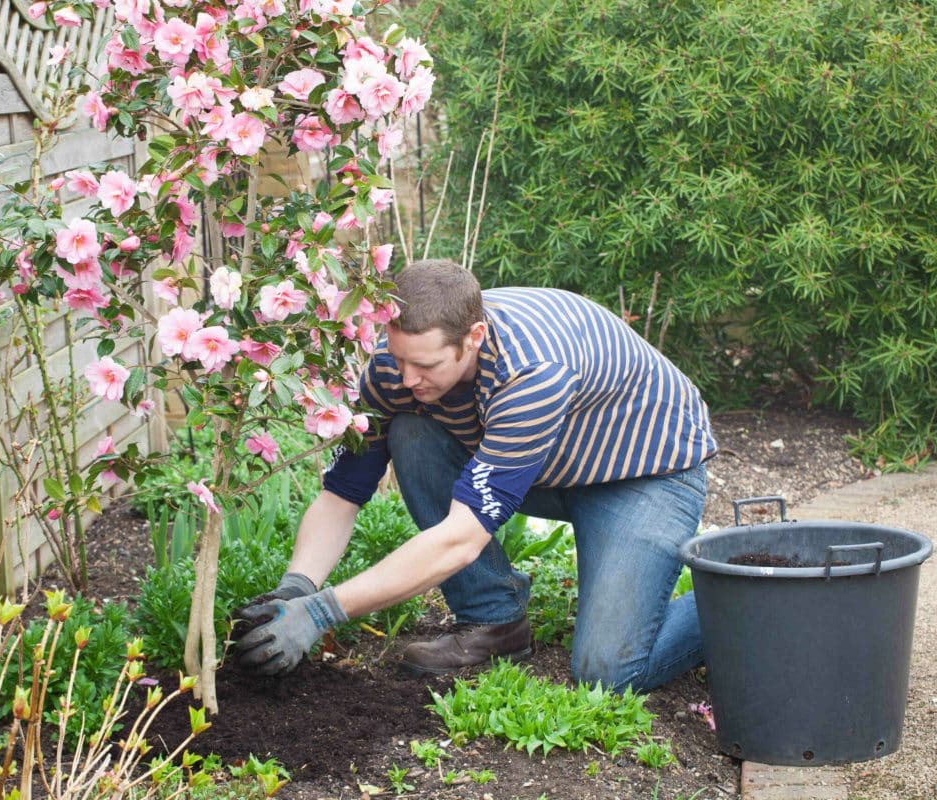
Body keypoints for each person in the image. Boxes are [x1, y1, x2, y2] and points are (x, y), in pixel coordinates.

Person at [234, 259, 717, 691]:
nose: (405, 379)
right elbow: (342, 495)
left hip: (643, 475)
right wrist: (296, 588)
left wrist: (320, 613)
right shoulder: (396, 369)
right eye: (398, 358)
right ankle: (494, 622)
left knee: (609, 674)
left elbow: (460, 538)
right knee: (412, 433)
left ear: (474, 338)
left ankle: (767, 594)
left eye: (424, 365)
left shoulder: (531, 373)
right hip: (549, 467)